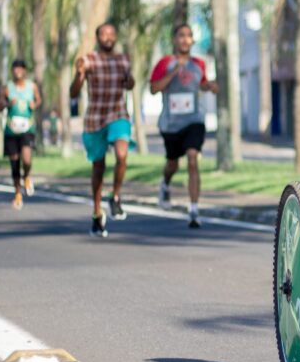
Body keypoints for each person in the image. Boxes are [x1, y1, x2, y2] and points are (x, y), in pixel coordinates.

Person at [150, 23, 219, 229]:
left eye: (189, 36)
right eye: (181, 35)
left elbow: (202, 84)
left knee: (192, 158)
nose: (185, 39)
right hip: (171, 124)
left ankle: (194, 210)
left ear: (192, 40)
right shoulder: (165, 63)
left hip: (194, 121)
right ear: (174, 39)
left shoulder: (199, 63)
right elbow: (154, 88)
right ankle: (165, 184)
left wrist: (210, 86)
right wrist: (173, 74)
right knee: (172, 164)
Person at [70, 22, 135, 238]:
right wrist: (79, 75)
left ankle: (115, 197)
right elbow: (73, 93)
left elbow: (130, 84)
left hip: (118, 114)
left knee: (122, 154)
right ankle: (97, 213)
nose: (108, 37)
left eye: (111, 33)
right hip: (95, 118)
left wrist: (130, 80)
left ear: (115, 37)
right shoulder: (88, 60)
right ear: (97, 38)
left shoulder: (123, 59)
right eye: (103, 34)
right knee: (98, 167)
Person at [0, 59, 42, 211]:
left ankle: (27, 176)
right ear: (12, 71)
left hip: (27, 129)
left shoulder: (31, 86)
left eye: (21, 68)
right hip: (11, 131)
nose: (18, 71)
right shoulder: (7, 89)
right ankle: (17, 193)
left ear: (25, 71)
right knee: (14, 162)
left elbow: (38, 99)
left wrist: (35, 104)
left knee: (27, 158)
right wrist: (7, 104)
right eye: (15, 68)